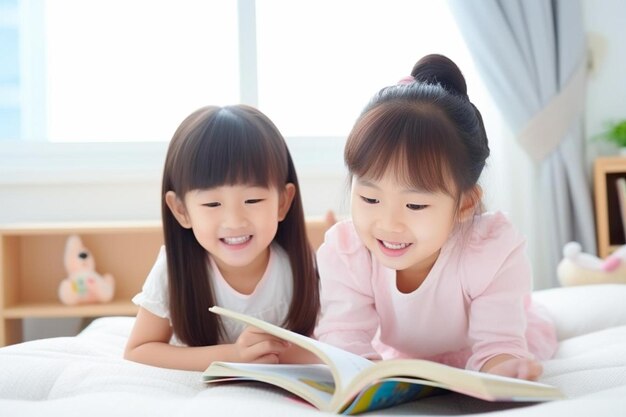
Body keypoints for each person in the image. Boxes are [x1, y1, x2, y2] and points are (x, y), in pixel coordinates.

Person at [314, 54, 558, 381]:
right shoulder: (348, 252)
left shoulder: (489, 251)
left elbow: (499, 345)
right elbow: (345, 336)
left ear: (465, 205)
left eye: (415, 206)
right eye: (370, 198)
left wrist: (506, 371)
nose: (388, 223)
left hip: (477, 349)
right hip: (404, 355)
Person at [124, 105, 319, 371]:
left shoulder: (300, 266)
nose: (235, 221)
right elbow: (138, 350)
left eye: (253, 199)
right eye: (213, 204)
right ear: (181, 210)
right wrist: (234, 355)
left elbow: (327, 346)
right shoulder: (173, 269)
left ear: (283, 202)